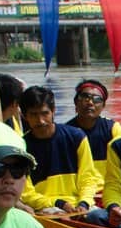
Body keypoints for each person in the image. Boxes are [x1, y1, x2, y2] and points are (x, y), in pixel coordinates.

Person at [16, 85, 101, 216]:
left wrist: (84, 203)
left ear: (53, 111)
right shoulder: (21, 148)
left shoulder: (77, 137)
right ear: (24, 116)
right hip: (46, 207)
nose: (41, 121)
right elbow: (27, 194)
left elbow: (88, 178)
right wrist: (58, 203)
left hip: (79, 204)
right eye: (34, 115)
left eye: (45, 113)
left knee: (98, 216)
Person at [65, 79, 121, 179]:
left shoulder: (113, 129)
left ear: (103, 106)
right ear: (76, 102)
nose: (90, 103)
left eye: (97, 99)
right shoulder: (66, 133)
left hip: (108, 187)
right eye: (85, 97)